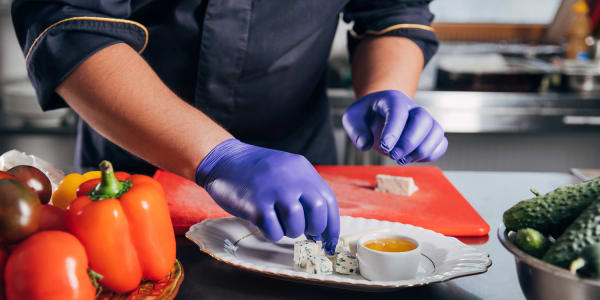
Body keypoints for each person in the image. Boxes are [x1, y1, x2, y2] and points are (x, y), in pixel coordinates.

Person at [12, 0, 447, 254]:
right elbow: (70, 25)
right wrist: (219, 154)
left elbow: (392, 10)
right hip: (134, 176)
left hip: (301, 172)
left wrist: (387, 88)